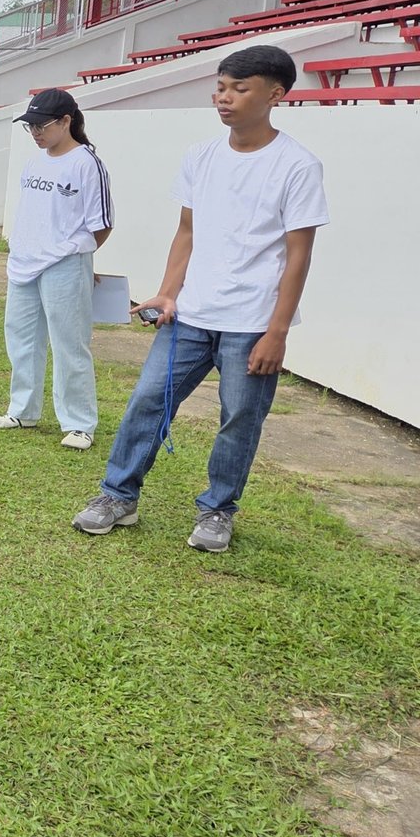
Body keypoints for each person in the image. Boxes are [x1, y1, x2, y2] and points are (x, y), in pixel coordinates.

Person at [71, 45, 328, 553]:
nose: (224, 98)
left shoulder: (297, 165)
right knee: (148, 402)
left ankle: (217, 510)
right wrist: (168, 292)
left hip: (252, 322)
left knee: (239, 419)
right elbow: (187, 231)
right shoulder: (201, 156)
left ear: (275, 94)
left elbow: (299, 255)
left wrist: (276, 332)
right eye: (220, 87)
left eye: (239, 89)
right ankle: (117, 496)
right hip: (190, 315)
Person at [0, 88, 114, 450]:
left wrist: (79, 258)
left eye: (42, 125)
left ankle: (79, 423)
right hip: (25, 262)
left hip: (64, 263)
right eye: (31, 126)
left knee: (69, 342)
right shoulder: (34, 162)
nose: (36, 132)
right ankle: (22, 410)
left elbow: (102, 223)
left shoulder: (86, 163)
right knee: (21, 338)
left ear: (66, 121)